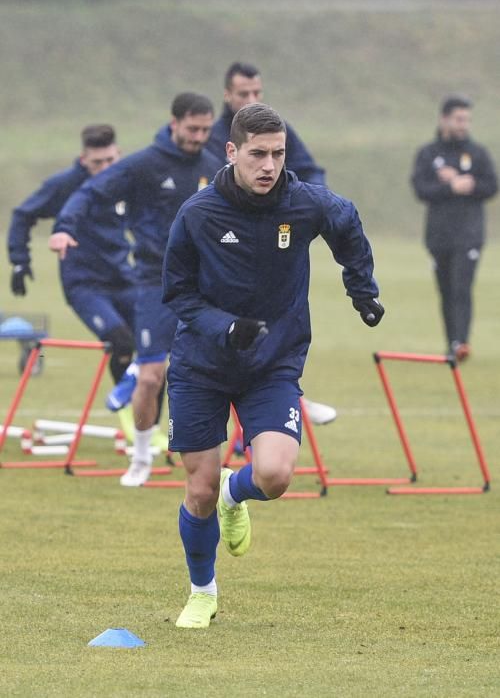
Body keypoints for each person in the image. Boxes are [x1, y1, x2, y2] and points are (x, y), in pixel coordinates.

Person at [162, 102, 384, 629]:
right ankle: (202, 591)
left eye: (278, 154)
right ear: (232, 152)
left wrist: (363, 292)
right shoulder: (199, 213)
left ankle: (236, 496)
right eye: (258, 154)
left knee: (277, 475)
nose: (269, 165)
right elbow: (177, 293)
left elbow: (347, 224)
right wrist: (225, 327)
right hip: (201, 364)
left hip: (271, 364)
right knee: (198, 487)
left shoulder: (304, 203)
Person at [53, 93, 221, 486]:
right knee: (150, 377)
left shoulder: (214, 167)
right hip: (153, 283)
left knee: (236, 360)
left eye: (205, 129)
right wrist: (65, 226)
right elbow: (89, 192)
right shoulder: (144, 164)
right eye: (192, 128)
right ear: (174, 122)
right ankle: (142, 456)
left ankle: (261, 433)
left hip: (203, 284)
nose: (198, 136)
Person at [206, 61, 335, 426]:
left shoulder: (276, 131)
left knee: (273, 316)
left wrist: (314, 212)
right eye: (243, 94)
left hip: (267, 241)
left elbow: (311, 173)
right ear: (227, 95)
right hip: (214, 247)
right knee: (201, 324)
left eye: (257, 93)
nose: (251, 99)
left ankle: (282, 397)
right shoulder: (209, 135)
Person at [8, 125, 138, 434]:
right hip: (85, 285)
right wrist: (19, 261)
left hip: (126, 278)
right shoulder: (65, 185)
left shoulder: (127, 181)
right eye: (97, 163)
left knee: (154, 348)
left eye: (110, 161)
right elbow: (22, 215)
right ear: (83, 159)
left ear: (118, 154)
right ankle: (129, 420)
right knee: (121, 341)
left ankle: (149, 429)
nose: (105, 169)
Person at [410, 95, 498, 360]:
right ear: (444, 119)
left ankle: (461, 342)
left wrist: (467, 184)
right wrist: (449, 186)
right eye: (459, 119)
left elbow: (491, 186)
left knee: (461, 287)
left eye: (467, 120)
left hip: (469, 235)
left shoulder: (477, 153)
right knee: (446, 290)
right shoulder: (429, 154)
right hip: (438, 236)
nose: (464, 125)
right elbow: (421, 189)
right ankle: (452, 344)